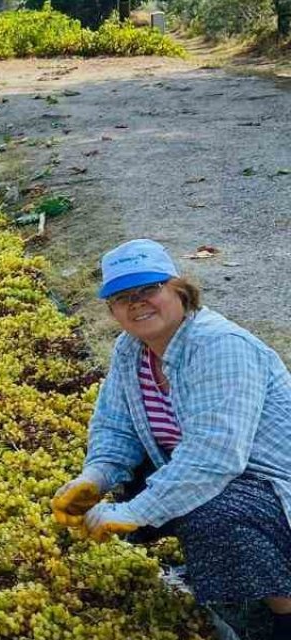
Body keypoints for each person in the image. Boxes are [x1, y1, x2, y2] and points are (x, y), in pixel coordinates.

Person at [51, 238, 291, 633]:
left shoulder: (220, 346)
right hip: (225, 475)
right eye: (122, 296)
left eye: (149, 289)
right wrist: (94, 478)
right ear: (112, 309)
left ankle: (281, 610)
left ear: (179, 289)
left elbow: (214, 458)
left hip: (269, 481)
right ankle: (235, 576)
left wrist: (135, 513)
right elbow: (116, 425)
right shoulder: (131, 350)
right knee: (141, 477)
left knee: (211, 511)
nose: (137, 302)